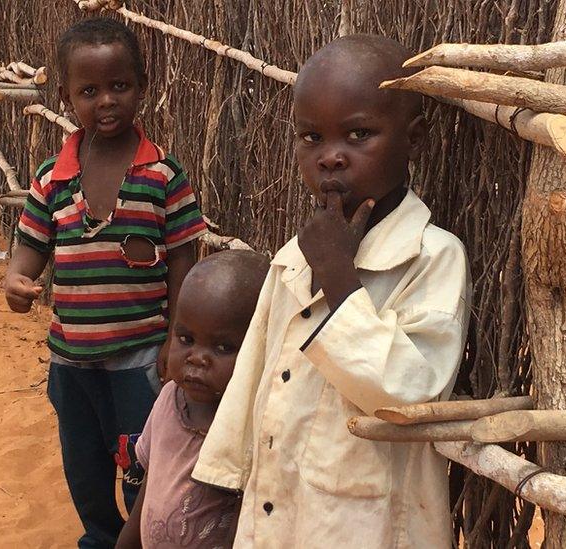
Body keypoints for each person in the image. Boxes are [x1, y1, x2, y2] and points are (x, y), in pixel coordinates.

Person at [192, 35, 472, 548]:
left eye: (358, 134)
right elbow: (255, 373)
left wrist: (340, 277)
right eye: (311, 137)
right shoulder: (294, 255)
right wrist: (229, 473)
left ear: (414, 138)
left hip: (371, 522)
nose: (330, 158)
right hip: (279, 505)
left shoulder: (432, 257)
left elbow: (412, 392)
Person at [4, 17, 208, 548]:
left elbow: (185, 262)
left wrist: (175, 339)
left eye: (119, 86)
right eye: (89, 91)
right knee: (84, 461)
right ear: (68, 98)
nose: (107, 101)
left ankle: (141, 539)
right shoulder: (52, 177)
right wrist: (17, 280)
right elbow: (31, 246)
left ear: (142, 86)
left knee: (144, 460)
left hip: (139, 358)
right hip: (70, 359)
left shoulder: (165, 177)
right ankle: (99, 536)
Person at [116, 250, 269, 549]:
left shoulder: (253, 428)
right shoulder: (168, 401)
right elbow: (151, 484)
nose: (197, 358)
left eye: (224, 347)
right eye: (185, 339)